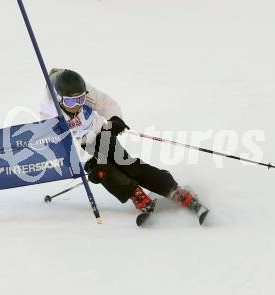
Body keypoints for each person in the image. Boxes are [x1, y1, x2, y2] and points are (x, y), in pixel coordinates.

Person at [40, 68, 209, 224]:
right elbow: (59, 144)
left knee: (126, 164)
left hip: (100, 131)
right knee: (101, 170)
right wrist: (85, 165)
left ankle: (174, 190)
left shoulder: (84, 89)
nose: (77, 104)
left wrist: (115, 119)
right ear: (61, 98)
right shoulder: (49, 112)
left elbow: (105, 102)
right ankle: (136, 195)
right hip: (81, 144)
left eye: (81, 99)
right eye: (71, 102)